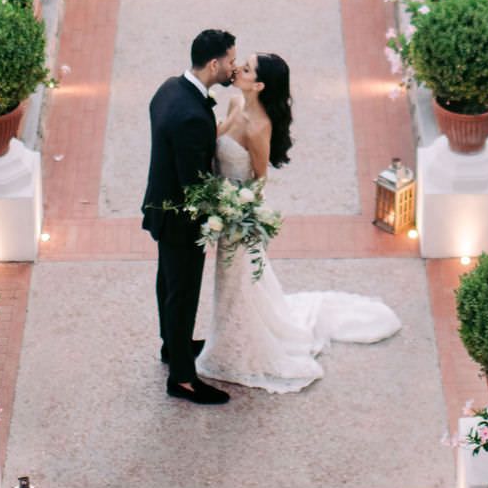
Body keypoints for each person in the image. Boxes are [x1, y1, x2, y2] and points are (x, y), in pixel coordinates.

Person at [195, 52, 401, 393]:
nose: (238, 70)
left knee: (237, 281)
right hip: (222, 205)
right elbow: (216, 141)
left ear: (258, 84)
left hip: (237, 217)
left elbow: (259, 181)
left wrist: (235, 210)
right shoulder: (234, 104)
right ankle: (226, 338)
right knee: (229, 282)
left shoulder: (260, 126)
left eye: (246, 69)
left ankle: (236, 348)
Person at [141, 28, 235, 405]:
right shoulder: (192, 117)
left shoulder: (168, 89)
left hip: (159, 205)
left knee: (167, 283)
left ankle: (172, 345)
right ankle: (181, 378)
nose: (233, 66)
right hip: (181, 220)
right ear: (214, 63)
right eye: (230, 60)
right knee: (182, 294)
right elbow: (195, 184)